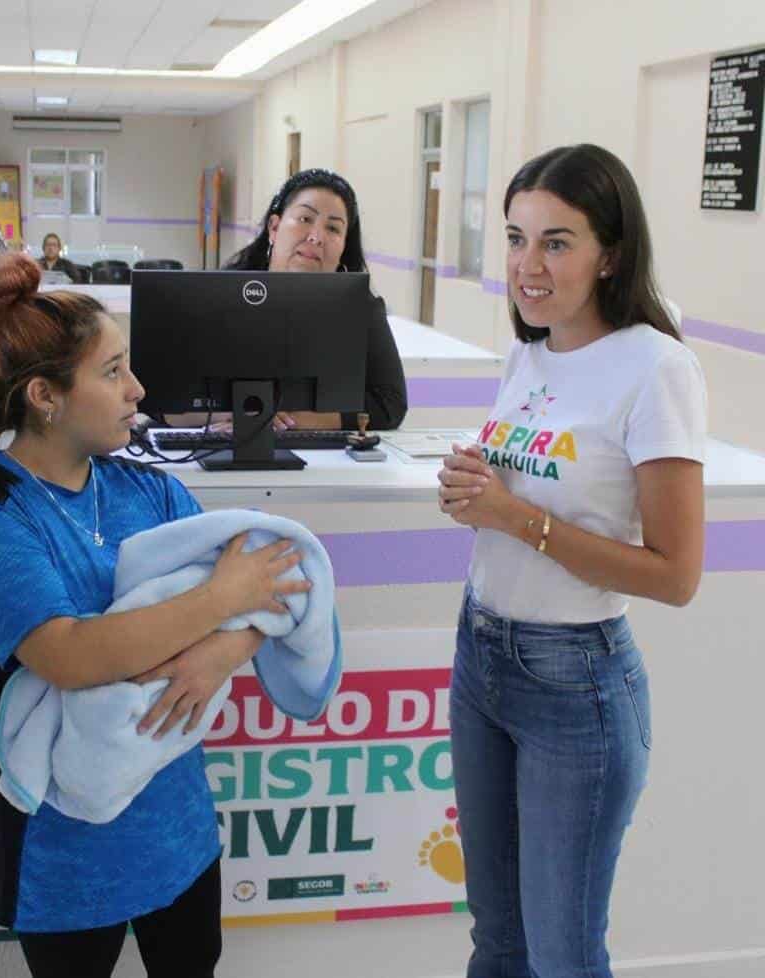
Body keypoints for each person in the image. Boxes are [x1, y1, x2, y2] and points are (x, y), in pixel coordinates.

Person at [0, 252, 310, 978]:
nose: (137, 390)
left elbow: (269, 588)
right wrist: (216, 602)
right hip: (66, 848)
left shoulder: (147, 491)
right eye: (112, 373)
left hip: (175, 827)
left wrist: (219, 652)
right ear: (45, 396)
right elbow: (73, 656)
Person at [436, 144, 706, 977]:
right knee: (499, 940)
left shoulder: (656, 366)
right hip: (481, 654)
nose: (528, 264)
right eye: (516, 238)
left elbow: (675, 574)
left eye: (557, 241)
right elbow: (522, 498)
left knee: (561, 955)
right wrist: (469, 488)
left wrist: (513, 517)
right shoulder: (531, 353)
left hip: (574, 684)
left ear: (611, 253)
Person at [222, 167, 407, 431]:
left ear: (343, 246)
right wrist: (233, 415)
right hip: (223, 448)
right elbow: (161, 404)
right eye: (305, 219)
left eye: (332, 228)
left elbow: (391, 405)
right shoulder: (223, 293)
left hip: (323, 461)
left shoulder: (360, 309)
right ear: (274, 228)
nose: (316, 237)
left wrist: (291, 421)